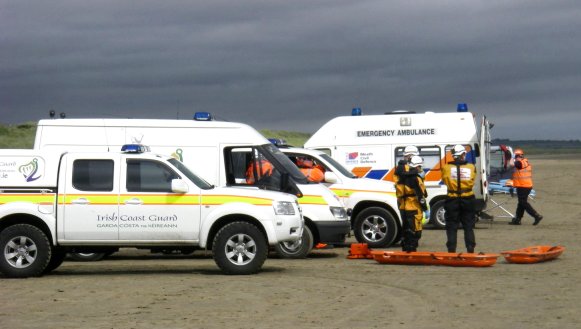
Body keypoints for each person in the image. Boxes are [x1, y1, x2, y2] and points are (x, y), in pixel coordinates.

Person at [442, 144, 477, 253]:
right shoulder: (471, 167)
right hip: (468, 199)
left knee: (452, 226)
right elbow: (473, 179)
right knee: (468, 226)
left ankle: (451, 250)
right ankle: (470, 249)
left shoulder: (446, 167)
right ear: (462, 154)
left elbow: (444, 180)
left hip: (452, 199)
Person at [396, 155, 428, 252]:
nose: (421, 169)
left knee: (406, 230)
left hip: (403, 207)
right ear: (417, 166)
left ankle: (405, 249)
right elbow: (422, 195)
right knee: (415, 232)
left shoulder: (401, 178)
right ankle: (412, 251)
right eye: (420, 167)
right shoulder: (416, 178)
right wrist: (425, 208)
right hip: (414, 207)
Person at [509, 149, 543, 225]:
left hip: (523, 186)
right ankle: (518, 219)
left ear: (517, 156)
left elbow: (511, 164)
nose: (515, 158)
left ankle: (536, 215)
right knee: (521, 203)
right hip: (525, 185)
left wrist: (512, 157)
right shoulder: (524, 162)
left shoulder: (520, 162)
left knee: (523, 202)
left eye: (515, 156)